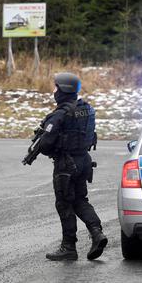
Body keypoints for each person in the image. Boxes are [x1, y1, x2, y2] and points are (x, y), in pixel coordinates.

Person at [34, 72, 107, 261]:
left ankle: (69, 247)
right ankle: (97, 232)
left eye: (56, 87)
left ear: (63, 90)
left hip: (66, 165)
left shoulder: (60, 114)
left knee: (64, 203)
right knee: (80, 200)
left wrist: (44, 145)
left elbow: (46, 144)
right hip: (83, 160)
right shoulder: (86, 109)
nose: (54, 91)